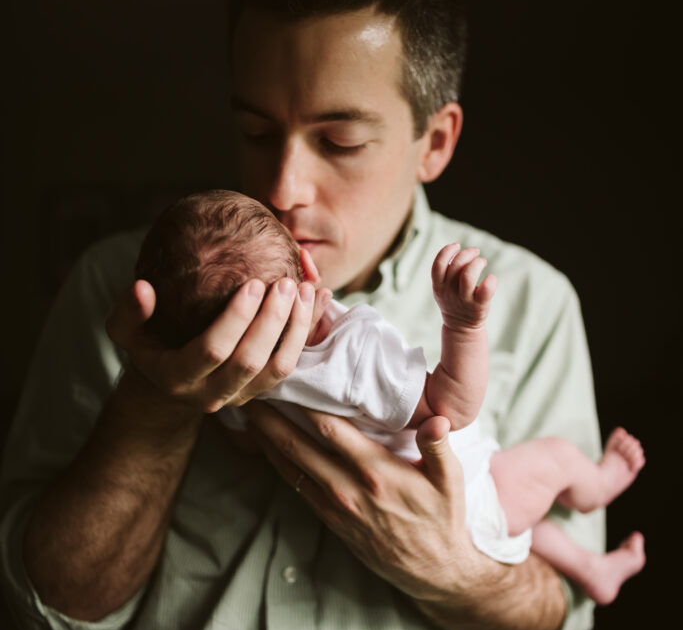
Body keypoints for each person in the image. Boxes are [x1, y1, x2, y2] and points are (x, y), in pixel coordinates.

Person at [0, 0, 617, 630]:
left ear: (434, 139)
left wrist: (448, 565)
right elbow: (55, 616)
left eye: (337, 140)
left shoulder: (529, 303)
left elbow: (552, 619)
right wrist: (155, 407)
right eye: (254, 130)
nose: (284, 183)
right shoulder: (129, 296)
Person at [138, 188, 646, 604]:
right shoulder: (353, 349)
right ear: (308, 272)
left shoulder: (237, 382)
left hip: (441, 513)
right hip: (457, 505)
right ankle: (595, 485)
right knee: (552, 460)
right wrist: (463, 326)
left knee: (521, 521)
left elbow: (248, 443)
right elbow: (450, 412)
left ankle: (590, 568)